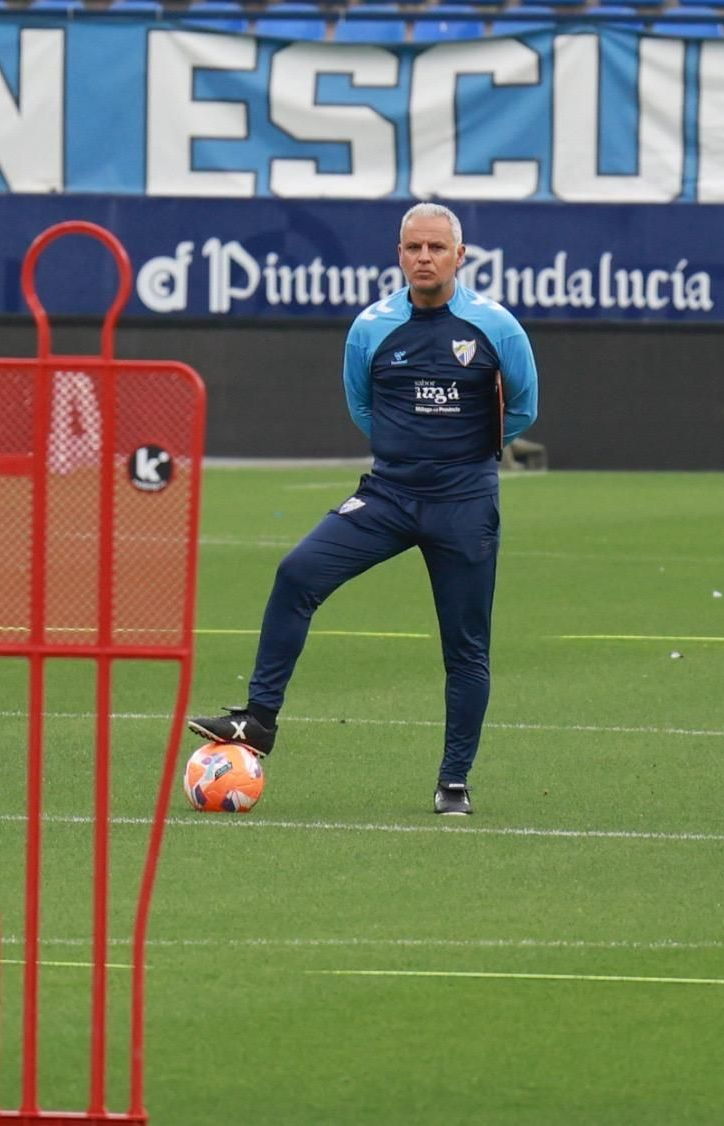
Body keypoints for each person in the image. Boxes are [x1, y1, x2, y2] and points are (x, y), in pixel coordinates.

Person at [188, 202, 539, 816]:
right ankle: (259, 722)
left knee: (465, 648)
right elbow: (364, 408)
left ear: (460, 256)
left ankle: (454, 781)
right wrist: (408, 455)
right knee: (297, 572)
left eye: (435, 248)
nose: (423, 258)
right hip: (387, 495)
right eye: (412, 248)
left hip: (464, 504)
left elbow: (524, 408)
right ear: (398, 254)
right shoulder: (371, 327)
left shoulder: (496, 327)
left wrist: (461, 462)